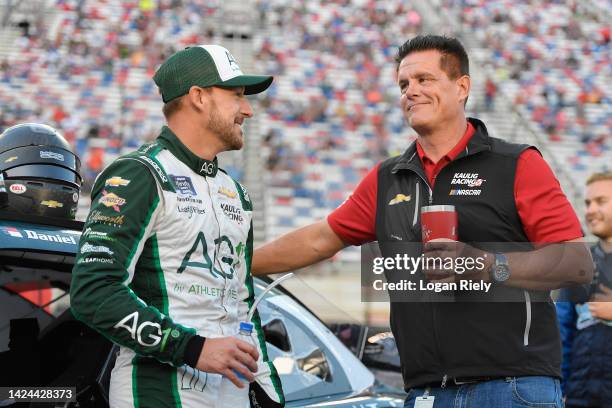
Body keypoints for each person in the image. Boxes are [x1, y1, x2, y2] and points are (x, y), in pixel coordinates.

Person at [252, 35, 592, 407]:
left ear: (462, 87)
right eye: (404, 84)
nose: (411, 91)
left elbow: (575, 263)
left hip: (511, 388)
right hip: (425, 391)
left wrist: (488, 266)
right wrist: (237, 264)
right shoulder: (387, 177)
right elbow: (320, 239)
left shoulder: (517, 164)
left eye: (424, 80)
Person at [70, 45, 284, 407]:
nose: (247, 110)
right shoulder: (139, 174)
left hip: (232, 391)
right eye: (236, 96)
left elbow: (242, 300)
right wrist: (192, 349)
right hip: (158, 390)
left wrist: (268, 390)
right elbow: (93, 291)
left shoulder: (236, 193)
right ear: (198, 97)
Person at [557, 172, 612, 408]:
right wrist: (559, 389)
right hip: (579, 396)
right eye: (588, 203)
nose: (590, 210)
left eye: (601, 201)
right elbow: (562, 334)